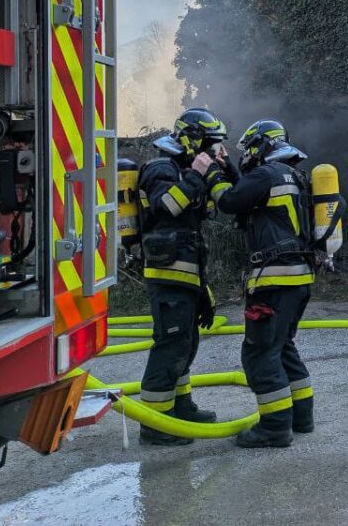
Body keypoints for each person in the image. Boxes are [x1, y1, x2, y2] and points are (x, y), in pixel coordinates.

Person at [204, 119, 315, 448]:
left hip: (273, 278)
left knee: (260, 353)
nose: (247, 155)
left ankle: (274, 428)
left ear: (262, 145)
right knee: (283, 347)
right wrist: (229, 170)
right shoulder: (292, 174)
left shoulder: (265, 174)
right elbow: (250, 196)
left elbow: (229, 202)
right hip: (299, 277)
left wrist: (211, 172)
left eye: (251, 148)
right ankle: (301, 417)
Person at [136, 108, 226, 446]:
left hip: (186, 274)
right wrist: (196, 175)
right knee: (170, 345)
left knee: (186, 343)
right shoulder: (161, 168)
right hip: (168, 274)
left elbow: (209, 210)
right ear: (194, 139)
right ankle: (156, 423)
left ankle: (181, 406)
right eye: (212, 144)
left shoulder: (184, 169)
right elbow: (167, 207)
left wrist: (215, 170)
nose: (214, 151)